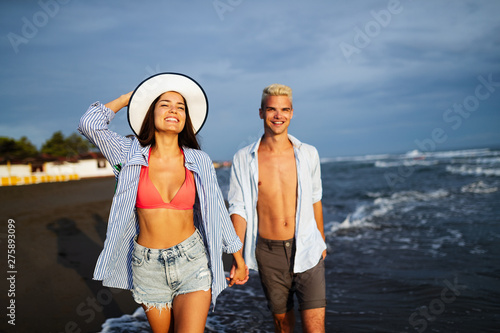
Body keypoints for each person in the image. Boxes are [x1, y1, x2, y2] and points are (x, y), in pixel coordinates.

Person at [78, 73, 247, 332]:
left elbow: (217, 212)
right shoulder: (128, 154)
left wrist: (238, 257)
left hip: (192, 260)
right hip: (147, 266)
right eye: (164, 104)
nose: (174, 110)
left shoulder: (198, 160)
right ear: (150, 113)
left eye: (180, 107)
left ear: (186, 119)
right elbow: (90, 124)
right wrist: (127, 100)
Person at [228, 83, 327, 333]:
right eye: (271, 109)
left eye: (284, 110)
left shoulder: (308, 154)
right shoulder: (244, 157)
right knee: (283, 325)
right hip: (268, 252)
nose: (278, 115)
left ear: (292, 113)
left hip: (306, 246)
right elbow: (238, 208)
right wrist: (237, 257)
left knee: (316, 327)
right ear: (261, 112)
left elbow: (316, 197)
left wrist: (321, 240)